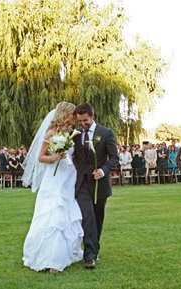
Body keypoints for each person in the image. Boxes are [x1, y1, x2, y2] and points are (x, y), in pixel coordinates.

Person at [22, 102, 83, 274]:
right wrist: (55, 157)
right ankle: (52, 259)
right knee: (54, 214)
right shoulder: (51, 133)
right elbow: (41, 157)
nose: (75, 118)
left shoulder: (71, 134)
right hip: (55, 179)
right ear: (65, 115)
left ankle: (67, 253)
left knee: (68, 213)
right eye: (73, 115)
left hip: (69, 178)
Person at [73, 102, 119, 269]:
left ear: (93, 117)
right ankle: (89, 257)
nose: (83, 125)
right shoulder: (75, 134)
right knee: (88, 216)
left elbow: (114, 158)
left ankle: (95, 248)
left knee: (97, 219)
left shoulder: (106, 133)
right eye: (80, 122)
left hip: (100, 184)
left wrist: (103, 170)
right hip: (82, 183)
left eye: (85, 121)